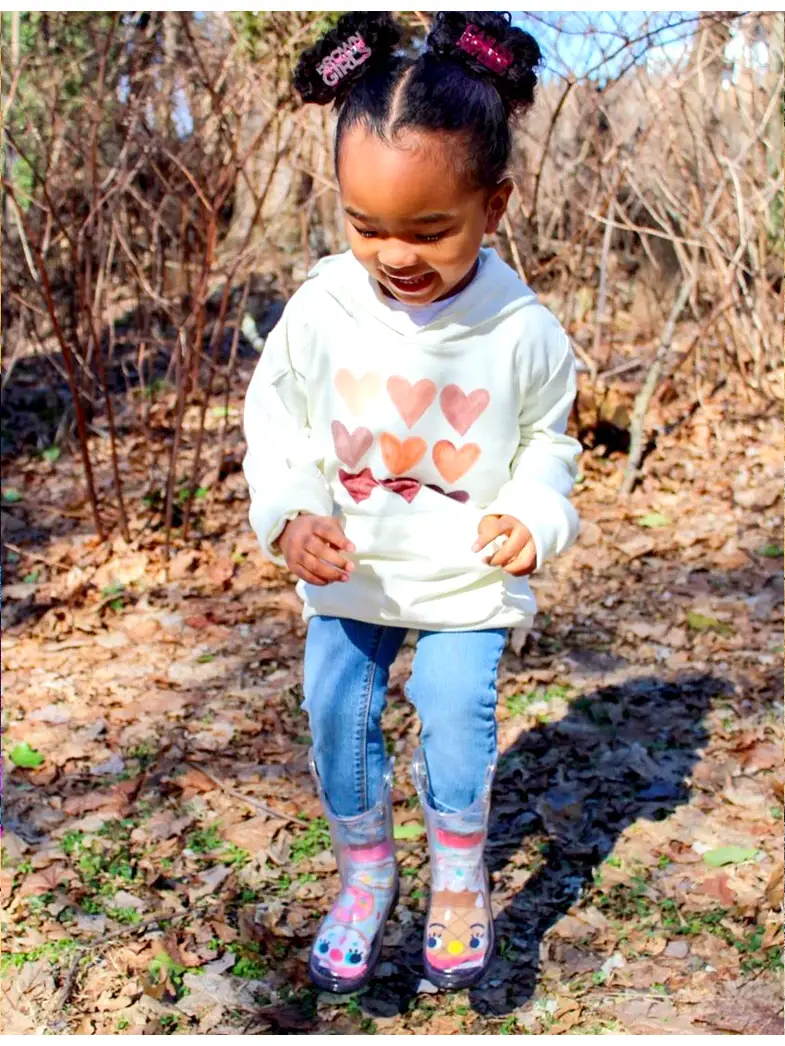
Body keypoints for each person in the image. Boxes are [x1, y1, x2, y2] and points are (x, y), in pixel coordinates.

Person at [243, 10, 582, 993]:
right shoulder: (322, 309)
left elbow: (543, 444)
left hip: (465, 574)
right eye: (365, 224)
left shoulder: (520, 332)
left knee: (449, 705)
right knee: (334, 708)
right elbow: (281, 426)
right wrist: (292, 515)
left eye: (428, 228)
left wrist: (532, 516)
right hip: (353, 566)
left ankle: (456, 871)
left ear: (494, 203)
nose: (393, 251)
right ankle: (364, 868)